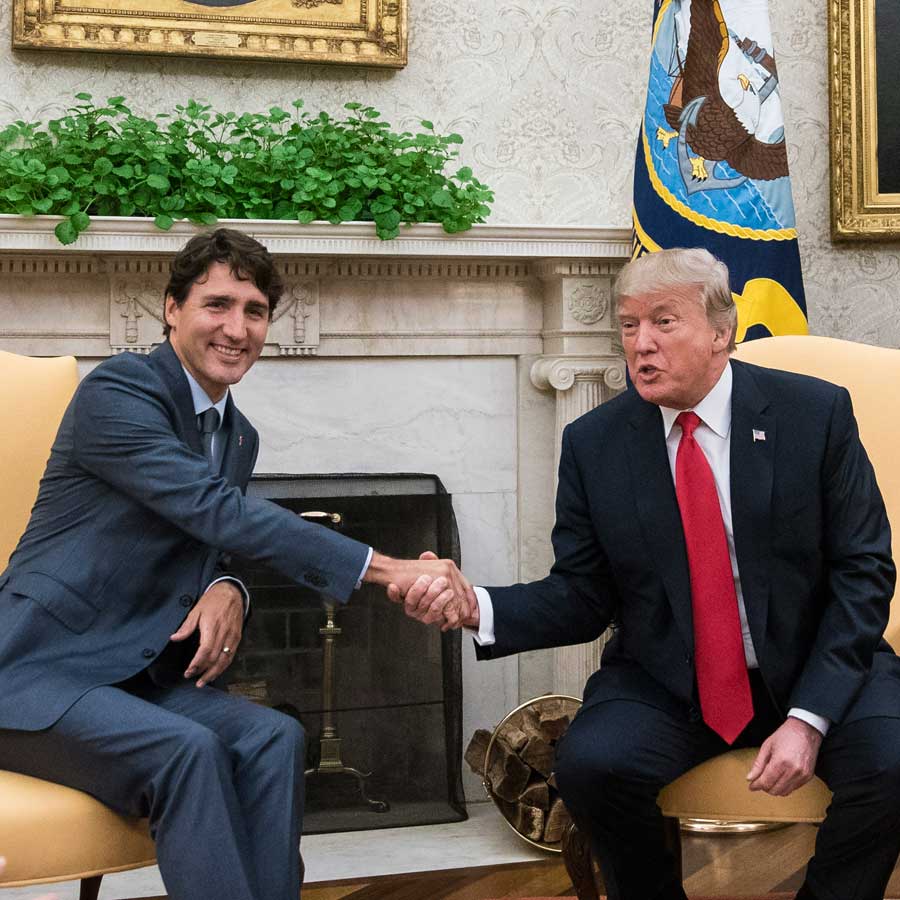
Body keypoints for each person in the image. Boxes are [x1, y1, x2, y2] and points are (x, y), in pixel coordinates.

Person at [400, 247, 900, 900]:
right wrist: (478, 607)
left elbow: (862, 574)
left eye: (664, 322)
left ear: (722, 332)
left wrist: (808, 718)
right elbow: (584, 594)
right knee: (592, 766)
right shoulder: (596, 442)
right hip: (671, 675)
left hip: (816, 660)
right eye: (629, 325)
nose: (642, 344)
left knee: (893, 761)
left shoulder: (815, 415)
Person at [0, 227, 472, 900]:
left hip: (133, 678)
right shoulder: (121, 390)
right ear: (171, 309)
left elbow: (211, 537)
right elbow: (212, 509)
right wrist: (386, 568)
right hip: (34, 674)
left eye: (254, 311)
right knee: (184, 751)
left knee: (273, 738)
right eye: (217, 304)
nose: (237, 327)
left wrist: (228, 585)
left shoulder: (235, 432)